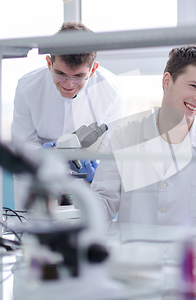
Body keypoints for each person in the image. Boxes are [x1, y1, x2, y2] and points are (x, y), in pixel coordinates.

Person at [90, 45, 196, 227]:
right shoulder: (125, 137)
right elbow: (103, 200)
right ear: (167, 81)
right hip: (134, 253)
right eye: (193, 86)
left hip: (195, 254)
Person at [11, 22, 123, 209]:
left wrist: (93, 165)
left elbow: (109, 152)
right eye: (61, 73)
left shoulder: (111, 91)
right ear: (49, 63)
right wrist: (42, 154)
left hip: (84, 191)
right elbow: (22, 143)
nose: (69, 84)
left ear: (93, 69)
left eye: (79, 76)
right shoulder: (27, 88)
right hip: (38, 183)